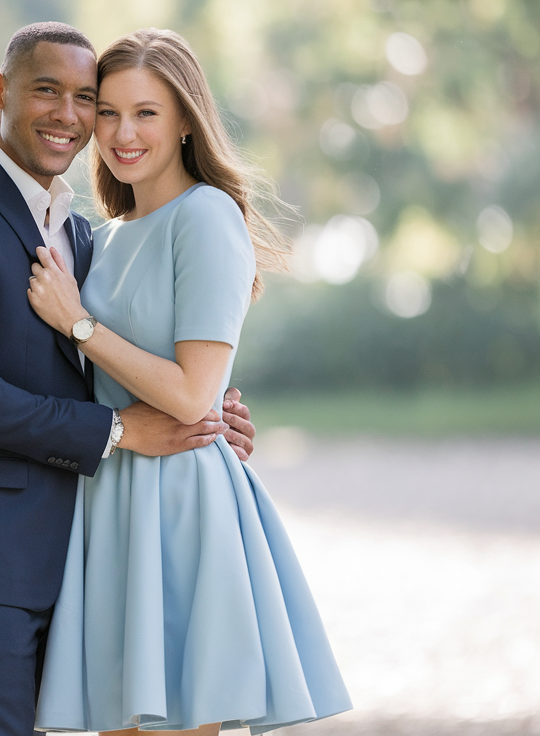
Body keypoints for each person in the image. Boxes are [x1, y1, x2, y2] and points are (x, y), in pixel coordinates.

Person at [0, 22, 258, 736]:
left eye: (87, 98)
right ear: (0, 90)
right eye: (47, 91)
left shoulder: (81, 233)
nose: (70, 115)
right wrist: (121, 429)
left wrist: (210, 407)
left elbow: (124, 357)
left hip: (85, 549)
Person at [27, 28, 351, 734]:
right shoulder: (103, 237)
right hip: (110, 494)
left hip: (179, 499)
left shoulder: (205, 215)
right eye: (108, 113)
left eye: (146, 112)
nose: (123, 133)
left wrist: (78, 323)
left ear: (184, 121)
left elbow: (191, 394)